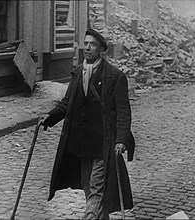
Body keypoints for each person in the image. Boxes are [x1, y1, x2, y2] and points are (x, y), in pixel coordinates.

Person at [39, 28, 135, 219]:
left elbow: (123, 112)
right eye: (86, 44)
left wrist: (121, 140)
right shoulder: (78, 73)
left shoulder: (114, 77)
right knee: (87, 187)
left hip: (103, 143)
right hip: (82, 144)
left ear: (101, 49)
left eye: (92, 44)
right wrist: (50, 117)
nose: (88, 48)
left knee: (96, 189)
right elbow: (68, 102)